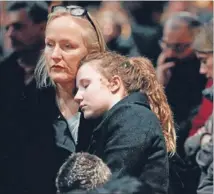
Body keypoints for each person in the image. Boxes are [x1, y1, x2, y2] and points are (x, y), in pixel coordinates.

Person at [0, 4, 106, 194]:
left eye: (67, 46)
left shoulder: (110, 99)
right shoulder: (31, 97)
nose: (55, 55)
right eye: (50, 45)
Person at [74, 51, 177, 194]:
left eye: (85, 85)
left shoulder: (133, 117)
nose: (77, 96)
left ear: (114, 84)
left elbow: (110, 184)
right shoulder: (121, 118)